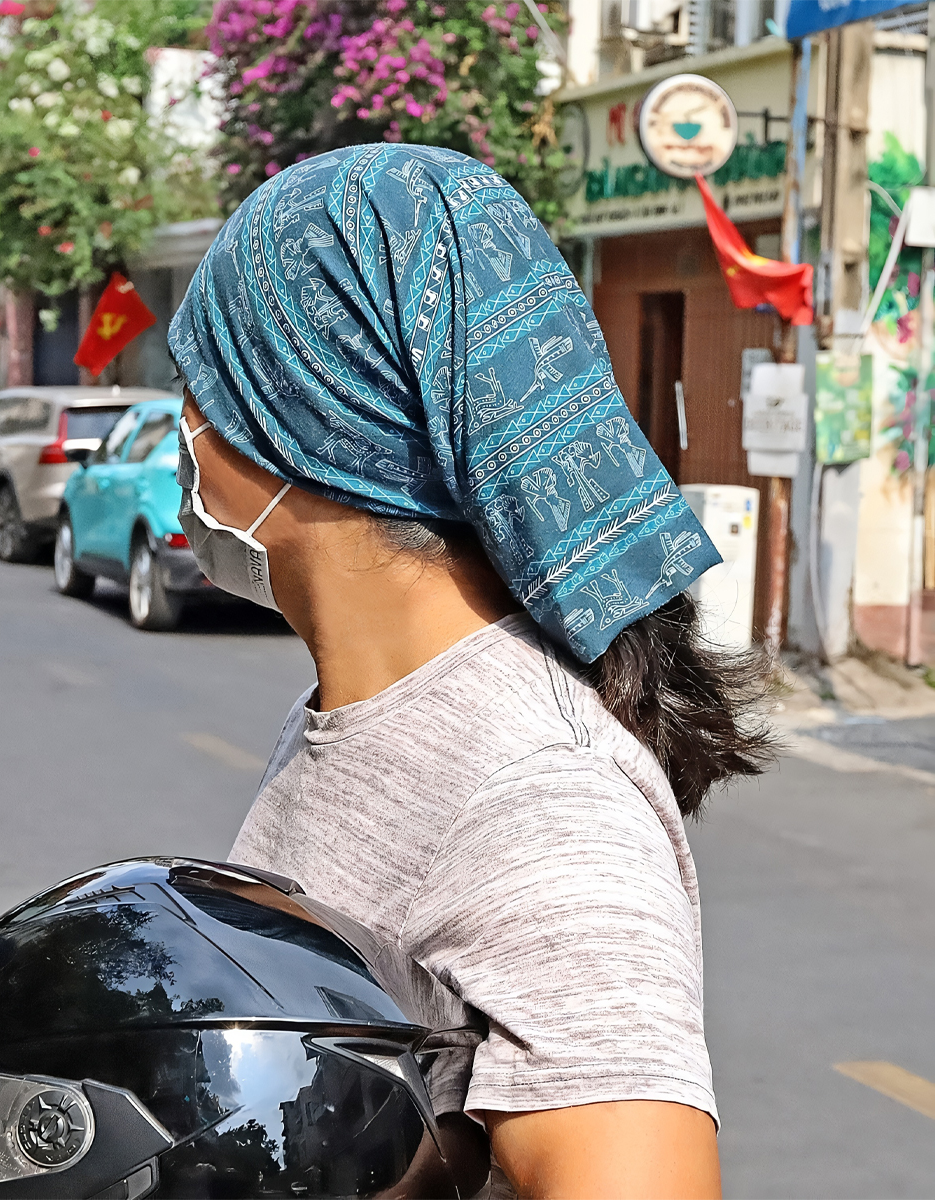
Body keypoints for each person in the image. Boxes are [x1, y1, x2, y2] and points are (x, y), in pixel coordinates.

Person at [168, 144, 773, 1199]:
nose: (182, 433)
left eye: (201, 392)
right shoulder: (360, 710)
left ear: (303, 426)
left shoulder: (539, 797)